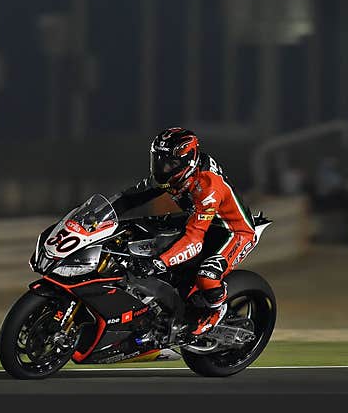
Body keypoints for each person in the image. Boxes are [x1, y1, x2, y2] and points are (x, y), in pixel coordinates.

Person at [110, 127, 257, 338]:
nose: (163, 167)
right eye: (159, 160)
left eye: (170, 163)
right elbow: (130, 198)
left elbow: (194, 240)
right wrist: (99, 217)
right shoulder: (175, 173)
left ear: (188, 161)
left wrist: (157, 262)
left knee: (207, 275)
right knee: (140, 230)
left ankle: (216, 312)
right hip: (199, 219)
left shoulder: (207, 186)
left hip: (232, 232)